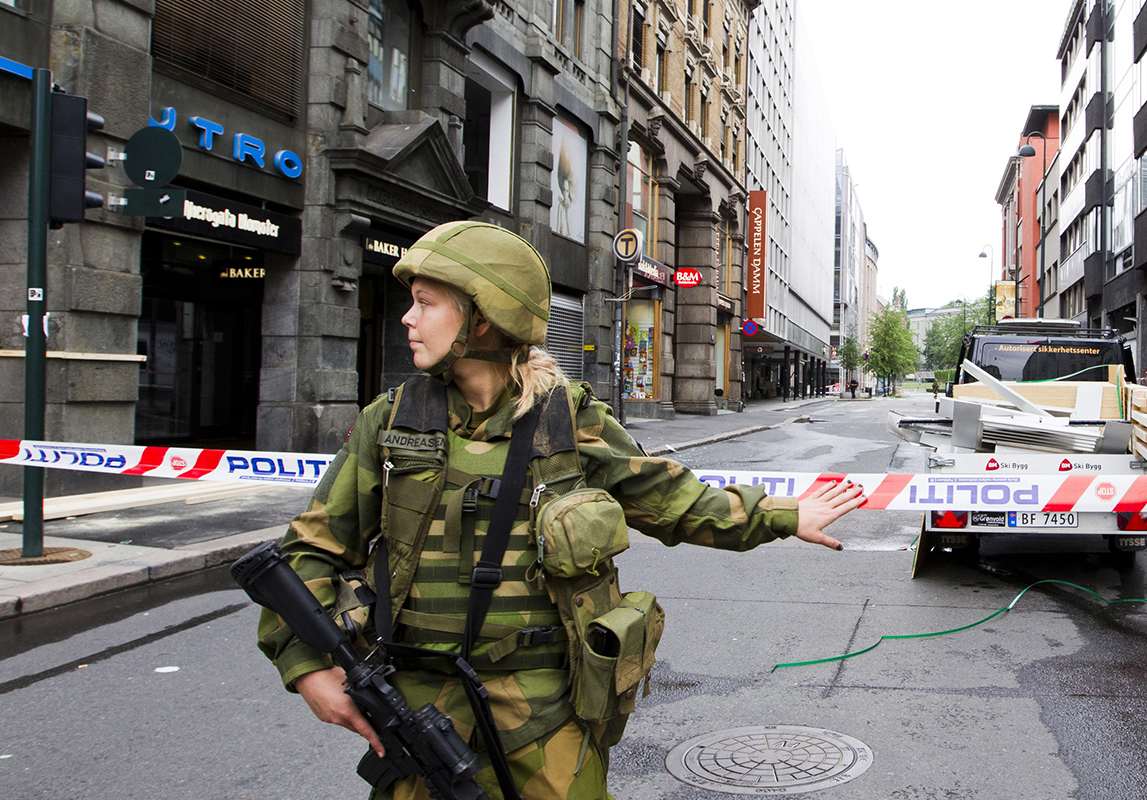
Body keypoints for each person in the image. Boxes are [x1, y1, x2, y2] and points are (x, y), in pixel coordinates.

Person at [255, 221, 866, 800]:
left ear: (485, 317)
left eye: (426, 302)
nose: (409, 319)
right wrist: (308, 666)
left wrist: (784, 515)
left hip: (544, 712)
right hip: (415, 708)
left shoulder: (567, 420)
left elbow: (674, 501)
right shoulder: (391, 422)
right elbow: (309, 551)